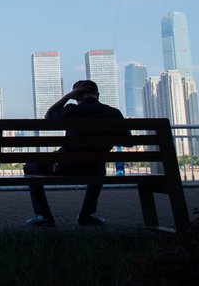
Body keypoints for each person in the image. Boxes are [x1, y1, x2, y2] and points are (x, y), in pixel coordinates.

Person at [24, 79, 128, 227]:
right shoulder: (114, 113)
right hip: (96, 169)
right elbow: (128, 142)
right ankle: (87, 214)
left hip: (66, 168)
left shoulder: (71, 110)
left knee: (29, 167)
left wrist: (67, 96)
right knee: (98, 165)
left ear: (76, 96)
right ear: (97, 95)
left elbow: (48, 116)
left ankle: (43, 215)